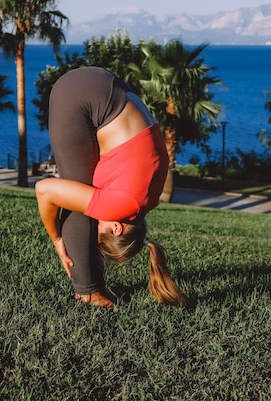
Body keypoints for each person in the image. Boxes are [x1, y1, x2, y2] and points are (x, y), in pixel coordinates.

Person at [35, 66, 188, 308]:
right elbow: (45, 190)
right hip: (79, 94)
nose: (94, 228)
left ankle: (94, 287)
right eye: (98, 230)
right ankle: (88, 293)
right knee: (79, 203)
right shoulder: (121, 205)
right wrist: (57, 239)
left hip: (106, 86)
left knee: (83, 197)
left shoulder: (149, 200)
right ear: (116, 228)